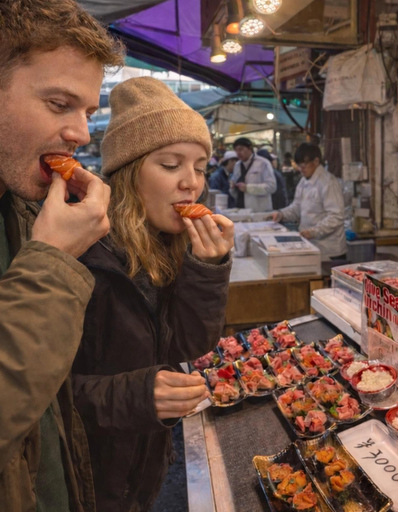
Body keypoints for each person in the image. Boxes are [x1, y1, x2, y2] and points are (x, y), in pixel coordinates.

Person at [69, 77, 234, 511]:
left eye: (199, 167)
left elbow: (186, 344)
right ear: (128, 174)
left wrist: (207, 269)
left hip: (142, 468)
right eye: (170, 164)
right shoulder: (83, 255)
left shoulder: (164, 245)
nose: (191, 184)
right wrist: (140, 395)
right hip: (87, 481)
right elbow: (43, 398)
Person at [0, 2, 122, 511]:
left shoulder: (22, 208)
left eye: (88, 112)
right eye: (58, 104)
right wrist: (52, 264)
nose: (81, 133)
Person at [271, 143, 346, 260]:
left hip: (329, 251)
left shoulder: (328, 182)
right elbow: (296, 208)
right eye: (299, 165)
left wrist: (314, 232)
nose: (301, 168)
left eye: (304, 164)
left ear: (316, 161)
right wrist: (281, 214)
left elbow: (336, 216)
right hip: (310, 246)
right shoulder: (303, 181)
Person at [230, 137, 276, 212]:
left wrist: (248, 188)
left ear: (250, 148)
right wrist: (232, 186)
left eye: (241, 149)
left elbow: (271, 186)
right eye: (236, 150)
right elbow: (234, 184)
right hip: (241, 209)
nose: (238, 153)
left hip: (260, 210)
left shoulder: (263, 163)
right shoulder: (237, 165)